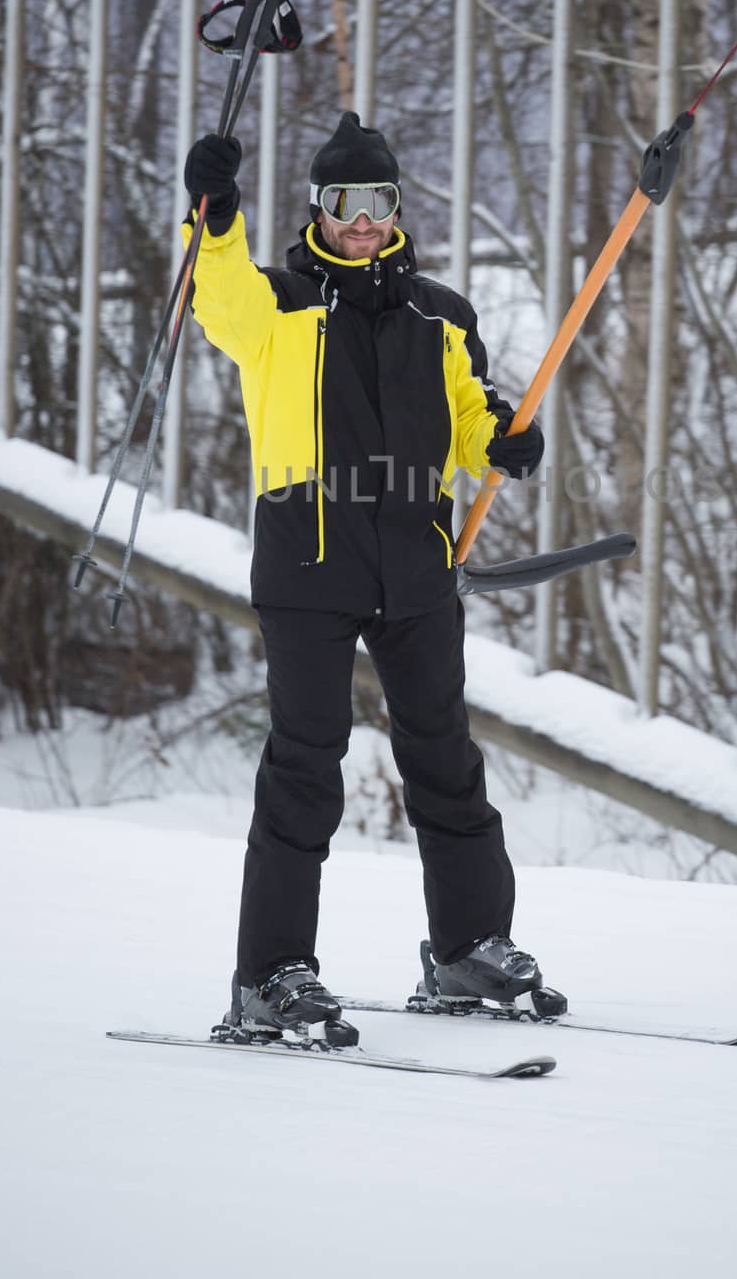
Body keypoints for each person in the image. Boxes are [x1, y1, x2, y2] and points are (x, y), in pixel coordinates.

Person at [182, 110, 565, 1044]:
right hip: (309, 555)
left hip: (417, 559)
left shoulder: (441, 314)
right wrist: (214, 213)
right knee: (307, 767)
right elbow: (215, 295)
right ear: (319, 206)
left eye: (378, 199)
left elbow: (467, 419)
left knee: (444, 758)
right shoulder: (274, 304)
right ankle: (270, 976)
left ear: (396, 208)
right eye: (344, 200)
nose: (362, 218)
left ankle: (469, 948)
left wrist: (503, 441)